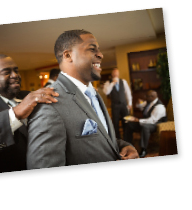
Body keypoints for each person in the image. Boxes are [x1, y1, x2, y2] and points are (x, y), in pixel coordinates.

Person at [26, 30, 139, 169]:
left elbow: (101, 136)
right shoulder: (50, 104)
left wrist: (124, 145)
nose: (101, 55)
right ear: (68, 55)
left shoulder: (94, 94)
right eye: (92, 49)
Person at [124, 90, 167, 158]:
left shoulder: (159, 107)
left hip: (157, 124)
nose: (145, 97)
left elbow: (152, 120)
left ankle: (144, 149)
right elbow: (140, 106)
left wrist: (138, 120)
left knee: (145, 127)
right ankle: (127, 144)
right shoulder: (149, 102)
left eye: (147, 96)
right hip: (147, 121)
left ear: (153, 97)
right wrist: (139, 103)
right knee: (130, 124)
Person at [103, 68, 132, 139]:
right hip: (115, 106)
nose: (116, 74)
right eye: (114, 73)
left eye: (117, 73)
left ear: (118, 74)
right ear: (112, 74)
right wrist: (113, 83)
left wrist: (130, 103)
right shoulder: (108, 82)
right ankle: (118, 140)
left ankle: (127, 139)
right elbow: (106, 92)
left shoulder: (123, 81)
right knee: (115, 123)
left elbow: (128, 92)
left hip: (124, 104)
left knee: (126, 121)